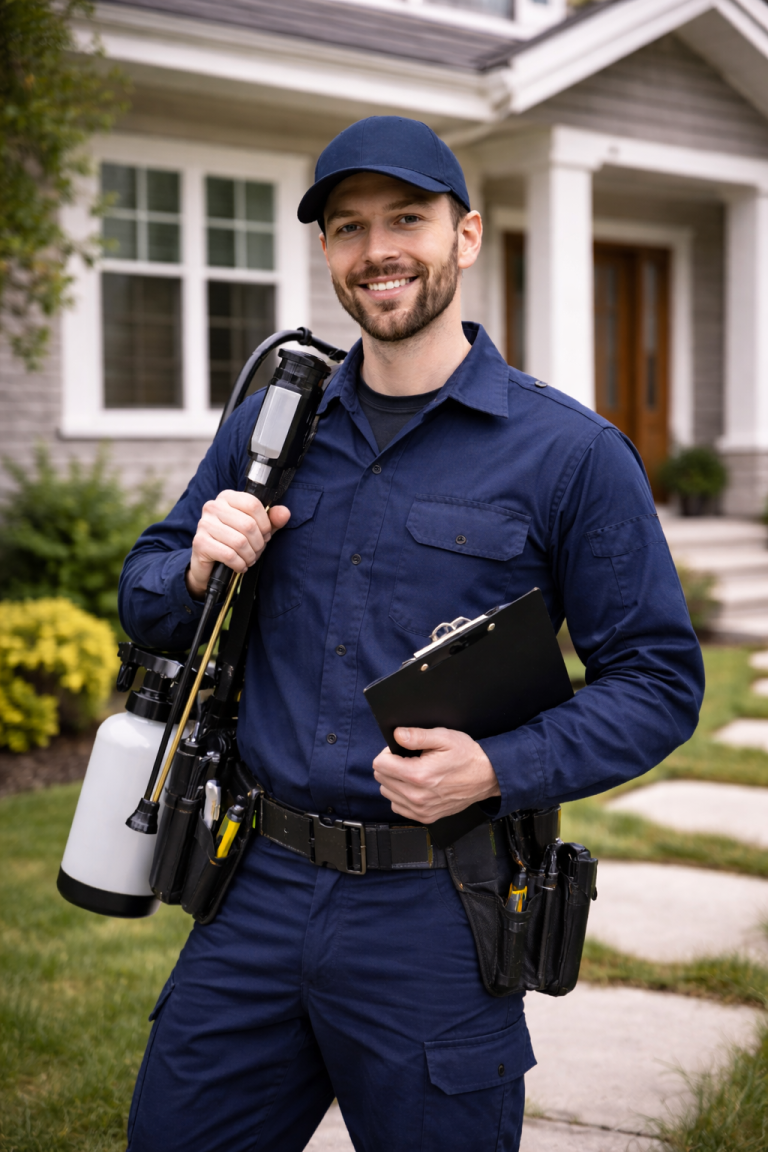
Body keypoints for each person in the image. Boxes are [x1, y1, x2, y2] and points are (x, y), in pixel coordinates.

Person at [120, 116, 704, 1152]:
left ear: (466, 237)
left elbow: (657, 681)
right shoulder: (270, 432)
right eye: (347, 228)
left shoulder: (570, 454)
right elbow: (147, 595)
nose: (376, 249)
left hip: (434, 909)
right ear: (329, 257)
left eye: (406, 219)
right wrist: (198, 561)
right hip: (253, 885)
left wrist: (495, 766)